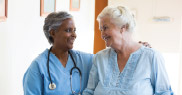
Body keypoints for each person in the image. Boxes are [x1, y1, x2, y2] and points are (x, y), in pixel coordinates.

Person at [83, 6, 173, 95]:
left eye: (105, 28)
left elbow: (164, 92)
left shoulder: (152, 57)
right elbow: (89, 92)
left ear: (123, 27)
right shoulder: (99, 58)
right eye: (101, 29)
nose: (102, 34)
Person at [23, 11, 94, 95]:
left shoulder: (85, 60)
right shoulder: (38, 67)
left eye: (74, 30)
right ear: (53, 33)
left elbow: (109, 60)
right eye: (68, 30)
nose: (74, 35)